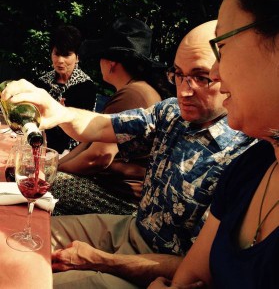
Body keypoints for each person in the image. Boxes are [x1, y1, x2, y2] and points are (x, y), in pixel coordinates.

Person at [2, 20, 257, 289]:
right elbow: (103, 126)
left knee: (33, 280)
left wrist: (99, 260)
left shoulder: (246, 155)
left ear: (232, 73)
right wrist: (58, 112)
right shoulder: (171, 112)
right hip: (131, 226)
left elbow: (199, 270)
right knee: (14, 240)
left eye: (201, 77)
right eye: (178, 74)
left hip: (160, 267)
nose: (183, 90)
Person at [148, 0, 279, 288]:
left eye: (222, 46)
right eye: (178, 75)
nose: (217, 72)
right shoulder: (253, 165)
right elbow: (190, 277)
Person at [52, 17, 163, 216]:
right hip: (112, 189)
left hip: (122, 199)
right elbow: (88, 144)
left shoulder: (132, 95)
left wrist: (52, 173)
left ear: (111, 63)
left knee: (43, 186)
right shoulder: (134, 91)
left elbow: (98, 157)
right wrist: (56, 166)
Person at [34, 24, 97, 154]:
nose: (60, 60)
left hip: (71, 152)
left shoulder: (86, 87)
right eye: (57, 54)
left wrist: (60, 115)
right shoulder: (42, 82)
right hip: (39, 145)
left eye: (66, 55)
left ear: (77, 57)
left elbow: (81, 130)